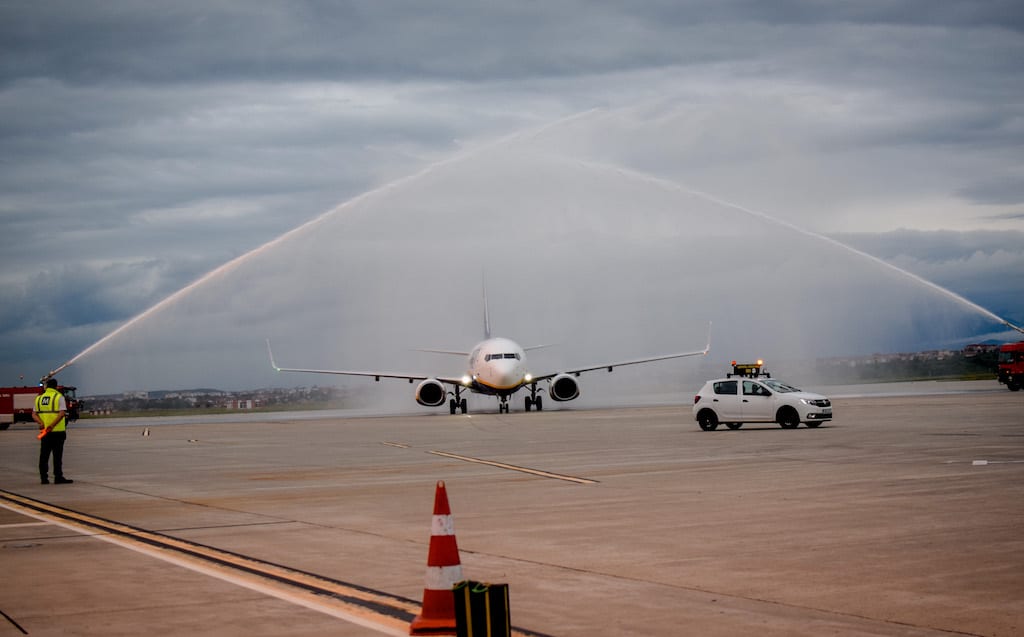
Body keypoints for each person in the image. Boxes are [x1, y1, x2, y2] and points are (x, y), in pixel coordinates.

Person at [33, 378, 73, 485]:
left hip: (45, 432)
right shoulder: (58, 397)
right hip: (58, 431)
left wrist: (41, 423)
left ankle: (44, 478)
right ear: (56, 386)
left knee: (44, 455)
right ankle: (58, 477)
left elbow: (34, 414)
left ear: (46, 386)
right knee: (57, 455)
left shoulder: (39, 398)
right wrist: (52, 425)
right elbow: (61, 413)